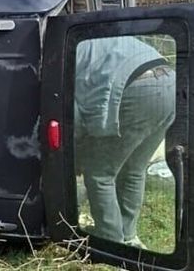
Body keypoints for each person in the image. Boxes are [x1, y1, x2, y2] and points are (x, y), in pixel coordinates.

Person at [74, 35, 176, 248]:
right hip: (170, 82)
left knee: (99, 173)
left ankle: (110, 243)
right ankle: (128, 237)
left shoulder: (61, 59)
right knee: (134, 168)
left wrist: (74, 156)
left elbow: (73, 117)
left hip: (138, 87)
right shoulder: (85, 38)